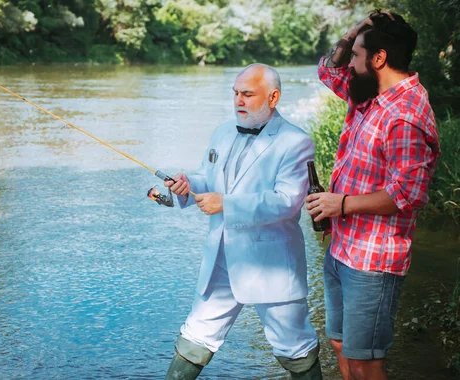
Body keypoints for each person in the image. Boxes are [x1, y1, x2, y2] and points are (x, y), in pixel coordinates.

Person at [163, 64, 322, 380]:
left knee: (295, 349)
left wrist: (227, 203)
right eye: (235, 93)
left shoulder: (296, 141)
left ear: (273, 97)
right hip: (221, 258)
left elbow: (288, 203)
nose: (238, 100)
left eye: (247, 94)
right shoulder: (222, 132)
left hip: (270, 265)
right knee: (195, 337)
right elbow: (206, 180)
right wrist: (185, 184)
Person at [306, 10, 440, 380]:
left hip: (373, 261)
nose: (350, 61)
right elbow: (327, 72)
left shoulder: (405, 115)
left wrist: (342, 204)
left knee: (367, 361)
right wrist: (355, 32)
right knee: (340, 344)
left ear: (379, 59)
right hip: (342, 248)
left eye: (357, 54)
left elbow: (409, 193)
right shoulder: (370, 93)